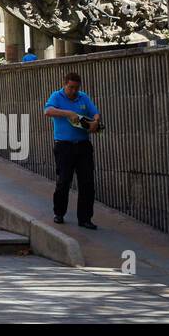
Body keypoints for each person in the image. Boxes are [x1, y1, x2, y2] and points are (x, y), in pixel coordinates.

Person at [44, 71, 101, 230]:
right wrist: (67, 113)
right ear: (65, 85)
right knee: (64, 181)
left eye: (76, 88)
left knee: (87, 183)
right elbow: (47, 111)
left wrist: (96, 121)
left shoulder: (83, 97)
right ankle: (59, 213)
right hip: (64, 146)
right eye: (71, 87)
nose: (74, 91)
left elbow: (94, 112)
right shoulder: (57, 96)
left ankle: (85, 218)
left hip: (83, 145)